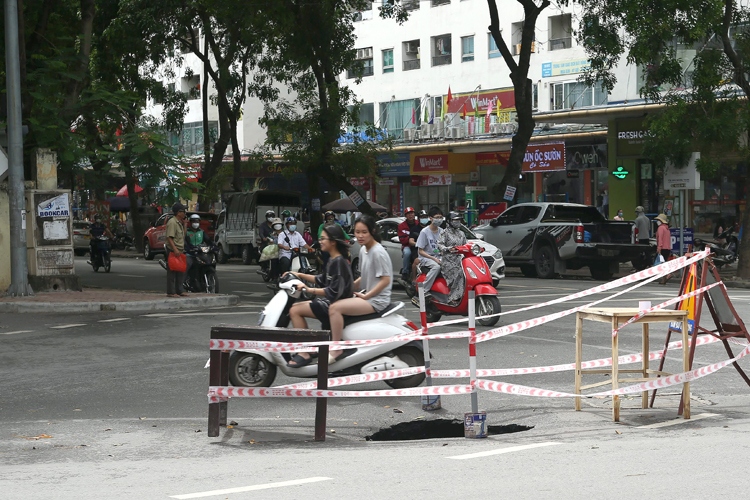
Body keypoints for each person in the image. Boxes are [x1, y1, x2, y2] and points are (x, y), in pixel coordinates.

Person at [326, 215, 392, 363]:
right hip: (366, 295)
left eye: (364, 232)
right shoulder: (364, 250)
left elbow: (385, 280)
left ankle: (336, 348)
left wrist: (367, 296)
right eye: (357, 232)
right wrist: (347, 288)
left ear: (372, 231)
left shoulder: (377, 252)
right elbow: (365, 276)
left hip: (377, 300)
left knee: (334, 309)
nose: (360, 236)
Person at [285, 225, 354, 367]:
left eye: (323, 239)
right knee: (295, 307)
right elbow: (320, 279)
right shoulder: (332, 260)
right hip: (329, 302)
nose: (320, 241)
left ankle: (304, 352)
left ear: (333, 242)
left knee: (295, 310)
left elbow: (333, 291)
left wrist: (309, 290)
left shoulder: (339, 262)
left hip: (335, 304)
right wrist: (298, 274)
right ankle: (310, 347)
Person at [414, 206, 445, 304]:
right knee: (436, 267)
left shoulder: (442, 231)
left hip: (439, 256)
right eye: (437, 217)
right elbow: (421, 251)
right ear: (430, 218)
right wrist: (433, 259)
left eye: (440, 217)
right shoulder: (424, 232)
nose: (439, 219)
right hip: (426, 257)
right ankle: (423, 291)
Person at [437, 211, 468, 305]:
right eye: (455, 220)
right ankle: (453, 297)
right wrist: (448, 249)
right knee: (459, 273)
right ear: (449, 221)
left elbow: (466, 245)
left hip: (461, 260)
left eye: (459, 220)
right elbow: (440, 245)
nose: (457, 222)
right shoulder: (444, 233)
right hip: (448, 261)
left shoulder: (461, 233)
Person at [166, 203, 188, 297]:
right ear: (178, 212)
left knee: (180, 270)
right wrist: (174, 249)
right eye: (183, 211)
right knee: (172, 271)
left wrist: (185, 225)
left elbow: (183, 236)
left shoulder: (179, 223)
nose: (184, 213)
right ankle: (171, 292)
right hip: (173, 249)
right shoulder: (172, 222)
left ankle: (179, 290)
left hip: (180, 249)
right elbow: (169, 237)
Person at [184, 214, 210, 287]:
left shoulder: (201, 232)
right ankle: (183, 281)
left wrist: (213, 246)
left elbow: (208, 241)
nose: (196, 223)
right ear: (191, 222)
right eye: (194, 221)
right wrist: (189, 248)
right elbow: (186, 242)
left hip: (199, 252)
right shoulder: (187, 232)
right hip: (190, 253)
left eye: (197, 221)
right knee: (188, 264)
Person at [397, 207, 420, 281]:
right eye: (408, 214)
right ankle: (405, 272)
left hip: (418, 245)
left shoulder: (418, 223)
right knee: (407, 253)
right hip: (408, 246)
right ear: (406, 216)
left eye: (412, 213)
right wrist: (411, 238)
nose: (410, 215)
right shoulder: (401, 226)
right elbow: (402, 239)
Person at [655, 213, 672, 284]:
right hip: (667, 248)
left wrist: (659, 247)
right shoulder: (667, 229)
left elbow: (660, 238)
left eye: (658, 220)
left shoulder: (661, 228)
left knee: (662, 264)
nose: (657, 221)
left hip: (662, 248)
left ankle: (668, 275)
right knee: (664, 263)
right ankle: (663, 280)